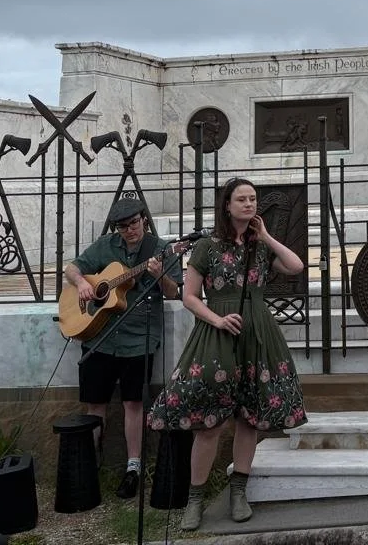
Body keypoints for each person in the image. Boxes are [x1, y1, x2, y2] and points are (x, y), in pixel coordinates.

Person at [148, 177, 307, 530]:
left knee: (248, 418)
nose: (250, 205)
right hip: (217, 332)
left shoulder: (261, 246)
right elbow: (189, 296)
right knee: (209, 423)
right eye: (243, 199)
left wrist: (265, 236)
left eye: (253, 199)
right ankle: (195, 499)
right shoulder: (207, 246)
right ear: (227, 205)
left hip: (257, 333)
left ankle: (238, 492)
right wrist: (218, 320)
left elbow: (296, 266)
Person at [63, 196, 180, 499]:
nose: (130, 230)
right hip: (100, 336)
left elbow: (173, 292)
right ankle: (91, 464)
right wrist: (83, 284)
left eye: (134, 223)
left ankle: (133, 468)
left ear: (143, 218)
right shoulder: (106, 246)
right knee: (95, 403)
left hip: (138, 337)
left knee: (133, 403)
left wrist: (160, 274)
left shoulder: (161, 249)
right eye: (123, 226)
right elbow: (72, 268)